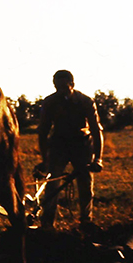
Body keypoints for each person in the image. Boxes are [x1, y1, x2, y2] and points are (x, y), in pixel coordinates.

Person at [36, 70, 104, 230]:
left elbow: (96, 130)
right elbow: (43, 131)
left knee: (85, 184)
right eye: (57, 87)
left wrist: (98, 158)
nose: (61, 91)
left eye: (64, 87)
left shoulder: (86, 101)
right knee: (52, 184)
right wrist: (45, 160)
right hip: (59, 144)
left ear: (72, 85)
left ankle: (86, 222)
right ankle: (47, 223)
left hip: (82, 144)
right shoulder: (49, 102)